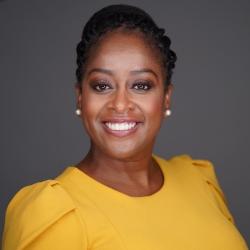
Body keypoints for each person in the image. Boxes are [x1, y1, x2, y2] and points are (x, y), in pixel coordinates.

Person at [2, 4, 248, 250]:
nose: (120, 104)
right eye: (102, 86)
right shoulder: (54, 213)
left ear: (166, 98)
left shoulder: (199, 180)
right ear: (80, 97)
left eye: (141, 85)